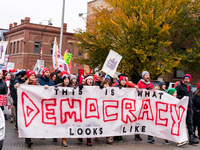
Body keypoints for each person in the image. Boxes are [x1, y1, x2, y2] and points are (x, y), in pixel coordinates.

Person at [175, 74, 199, 145]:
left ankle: (191, 138)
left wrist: (190, 103)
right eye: (185, 79)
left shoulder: (190, 87)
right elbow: (175, 95)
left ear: (190, 80)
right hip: (182, 108)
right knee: (180, 123)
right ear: (183, 79)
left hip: (189, 108)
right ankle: (178, 138)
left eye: (188, 79)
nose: (186, 80)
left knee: (190, 123)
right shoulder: (179, 86)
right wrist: (183, 98)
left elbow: (191, 96)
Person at [37, 68, 57, 142]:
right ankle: (41, 133)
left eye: (49, 72)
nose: (48, 73)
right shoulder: (38, 81)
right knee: (41, 119)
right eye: (46, 72)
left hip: (49, 103)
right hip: (41, 102)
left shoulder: (51, 82)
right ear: (43, 73)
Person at [136, 71, 154, 143]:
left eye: (148, 75)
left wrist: (151, 90)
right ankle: (137, 134)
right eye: (146, 75)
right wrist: (143, 91)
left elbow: (153, 93)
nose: (147, 76)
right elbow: (137, 93)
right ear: (143, 76)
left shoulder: (150, 84)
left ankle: (150, 137)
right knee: (139, 120)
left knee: (150, 120)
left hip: (149, 105)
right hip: (141, 104)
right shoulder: (139, 83)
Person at [23, 70, 39, 148]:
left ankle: (28, 137)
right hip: (27, 106)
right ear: (28, 76)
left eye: (34, 75)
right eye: (31, 75)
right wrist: (17, 87)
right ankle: (28, 139)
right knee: (28, 122)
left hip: (36, 106)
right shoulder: (24, 85)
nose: (33, 77)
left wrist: (45, 88)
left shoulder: (37, 84)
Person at [77, 74, 93, 146]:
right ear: (86, 80)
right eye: (89, 79)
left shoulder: (95, 88)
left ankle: (88, 139)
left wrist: (101, 88)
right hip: (82, 107)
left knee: (89, 124)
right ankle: (80, 135)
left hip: (91, 108)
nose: (90, 81)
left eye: (91, 80)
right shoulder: (82, 87)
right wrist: (79, 88)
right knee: (81, 123)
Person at [113, 76, 129, 142]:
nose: (123, 82)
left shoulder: (127, 88)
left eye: (124, 80)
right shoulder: (116, 87)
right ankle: (115, 135)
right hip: (117, 107)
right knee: (116, 121)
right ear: (119, 81)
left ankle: (120, 135)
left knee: (122, 121)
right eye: (122, 80)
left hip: (124, 107)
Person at [57, 71, 70, 147]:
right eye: (65, 80)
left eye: (68, 80)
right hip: (60, 108)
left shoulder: (72, 88)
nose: (66, 81)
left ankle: (64, 140)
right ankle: (57, 137)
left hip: (69, 109)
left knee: (66, 125)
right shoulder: (58, 87)